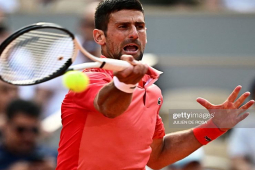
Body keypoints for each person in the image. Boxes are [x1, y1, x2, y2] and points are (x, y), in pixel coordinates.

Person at [56, 0, 254, 169]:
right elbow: (109, 107)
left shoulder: (151, 91)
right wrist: (126, 84)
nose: (134, 33)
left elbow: (158, 156)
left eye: (139, 26)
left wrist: (214, 126)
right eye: (123, 26)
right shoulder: (89, 81)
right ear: (99, 36)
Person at [0, 99, 57, 170]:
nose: (28, 136)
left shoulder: (52, 157)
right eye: (21, 130)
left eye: (34, 130)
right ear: (6, 126)